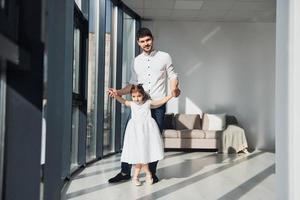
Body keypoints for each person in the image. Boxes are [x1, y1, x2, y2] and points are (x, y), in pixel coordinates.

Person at [108, 27, 180, 184]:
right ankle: (125, 171)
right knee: (130, 138)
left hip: (157, 106)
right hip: (138, 107)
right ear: (138, 43)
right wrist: (118, 92)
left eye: (148, 40)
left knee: (153, 139)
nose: (146, 43)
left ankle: (151, 173)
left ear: (152, 39)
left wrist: (174, 88)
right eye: (142, 41)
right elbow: (132, 85)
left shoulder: (164, 57)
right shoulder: (136, 61)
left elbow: (173, 75)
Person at [110, 84, 174, 185]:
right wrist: (115, 94)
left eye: (139, 96)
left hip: (146, 132)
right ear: (131, 96)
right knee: (139, 153)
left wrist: (171, 95)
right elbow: (122, 101)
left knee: (143, 152)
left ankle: (139, 176)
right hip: (135, 133)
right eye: (134, 96)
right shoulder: (132, 104)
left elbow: (159, 102)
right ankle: (146, 174)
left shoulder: (148, 103)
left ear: (143, 95)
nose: (136, 99)